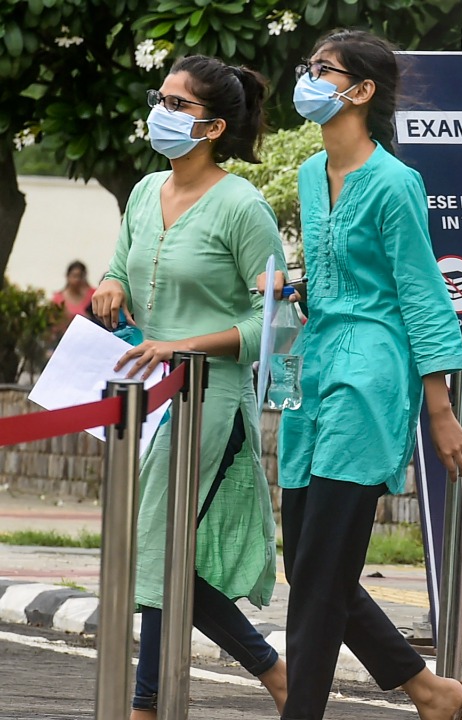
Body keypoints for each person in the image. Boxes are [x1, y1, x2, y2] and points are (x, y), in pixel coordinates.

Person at [263, 29, 462, 720]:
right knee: (311, 564)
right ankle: (430, 691)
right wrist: (294, 286)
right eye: (310, 67)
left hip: (372, 378)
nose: (310, 79)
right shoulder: (307, 174)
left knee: (322, 573)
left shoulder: (394, 182)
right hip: (311, 375)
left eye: (323, 70)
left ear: (361, 91)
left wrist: (439, 408)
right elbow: (329, 275)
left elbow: (421, 293)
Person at [90, 56, 287, 718]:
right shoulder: (147, 191)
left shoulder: (243, 206)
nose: (160, 113)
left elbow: (273, 325)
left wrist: (182, 345)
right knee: (159, 552)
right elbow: (119, 270)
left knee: (153, 548)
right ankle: (265, 677)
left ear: (213, 127)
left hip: (209, 399)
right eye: (161, 98)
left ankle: (151, 705)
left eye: (177, 105)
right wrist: (109, 287)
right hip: (145, 400)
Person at [51, 260, 95, 337]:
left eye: (80, 276)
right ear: (68, 276)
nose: (77, 280)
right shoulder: (58, 298)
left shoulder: (93, 295)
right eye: (74, 276)